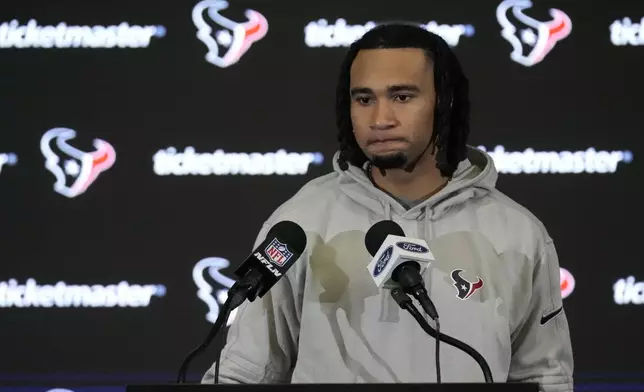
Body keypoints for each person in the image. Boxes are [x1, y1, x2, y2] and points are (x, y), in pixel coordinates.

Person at [202, 22, 574, 390]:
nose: (380, 119)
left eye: (402, 97)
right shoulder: (300, 221)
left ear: (444, 102)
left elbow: (545, 377)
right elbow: (244, 371)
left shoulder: (517, 232)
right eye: (364, 99)